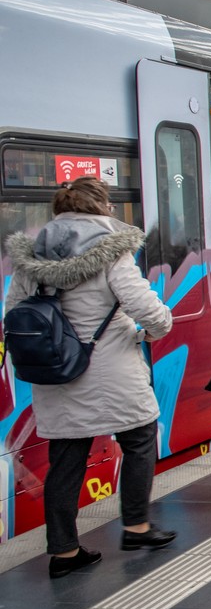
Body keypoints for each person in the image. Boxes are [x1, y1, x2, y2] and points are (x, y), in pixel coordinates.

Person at [5, 178, 177, 577]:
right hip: (110, 366)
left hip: (56, 369)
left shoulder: (33, 253)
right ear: (102, 208)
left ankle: (64, 551)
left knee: (66, 458)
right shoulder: (112, 250)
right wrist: (153, 330)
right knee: (139, 438)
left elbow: (15, 310)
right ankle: (136, 526)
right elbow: (147, 309)